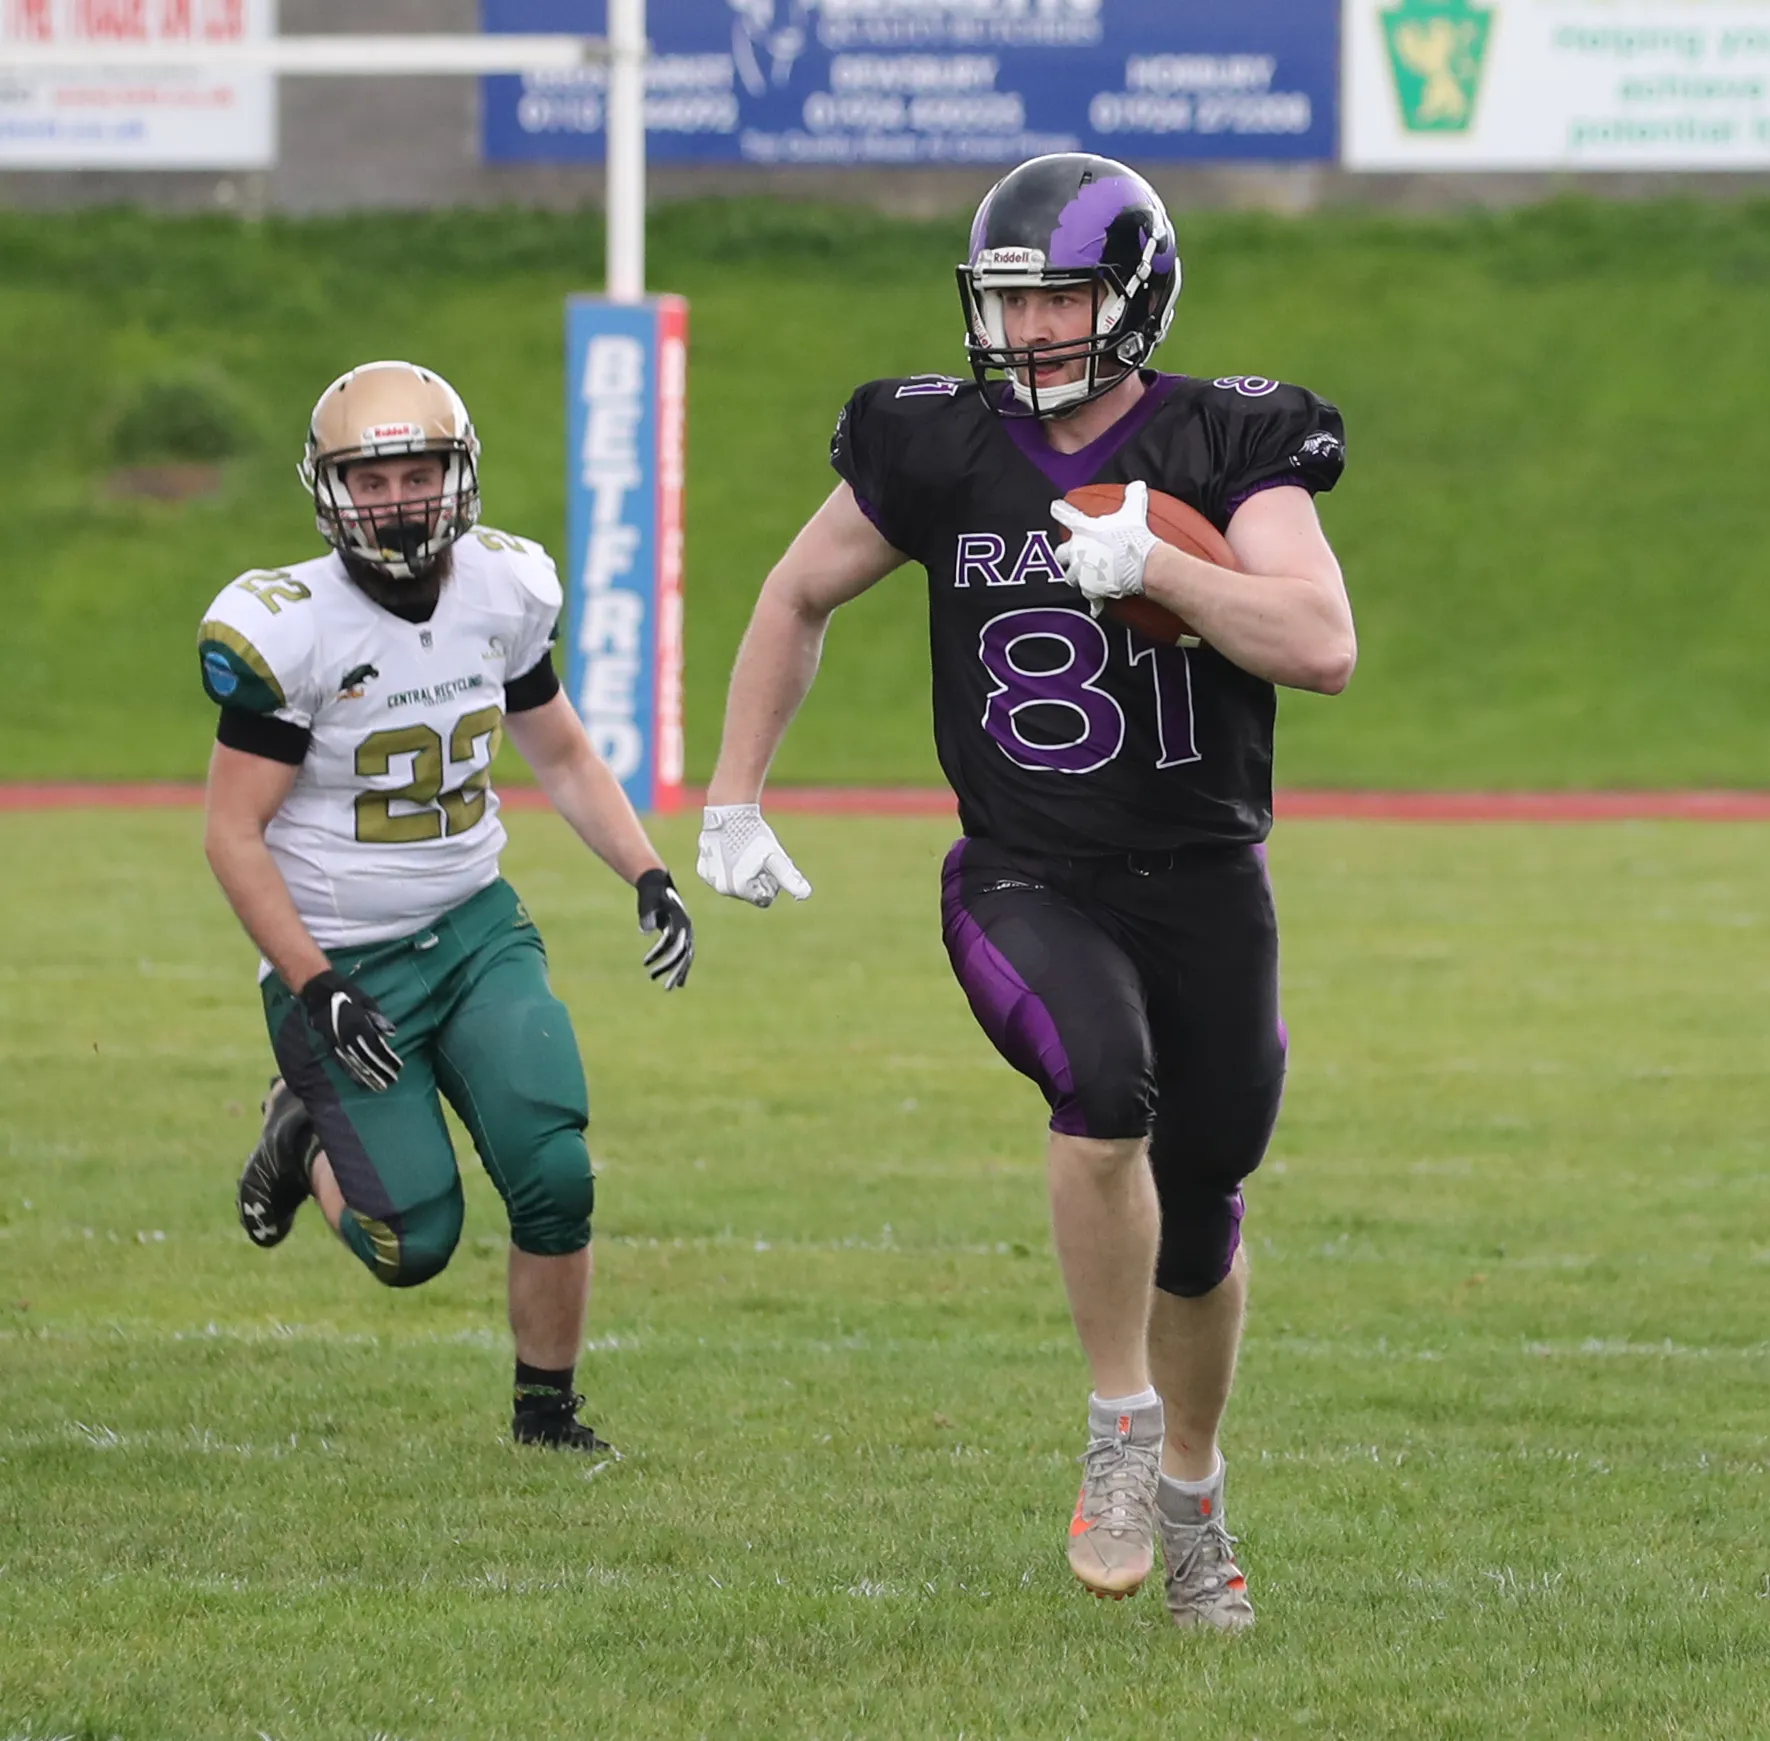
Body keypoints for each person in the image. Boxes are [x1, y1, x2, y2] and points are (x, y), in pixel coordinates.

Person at [695, 154, 1356, 1628]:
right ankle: (1117, 1425)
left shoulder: (1226, 435)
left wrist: (1163, 574)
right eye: (1007, 300)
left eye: (1058, 295)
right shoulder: (936, 443)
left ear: (1130, 297)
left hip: (1202, 880)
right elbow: (796, 592)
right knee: (1100, 1081)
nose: (1028, 329)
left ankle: (1191, 1494)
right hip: (1022, 870)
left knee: (1203, 1207)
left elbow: (1319, 643)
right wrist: (734, 789)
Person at [199, 359, 695, 1453]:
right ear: (328, 490)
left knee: (555, 1169)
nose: (395, 500)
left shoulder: (506, 586)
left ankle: (546, 1416)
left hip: (475, 930)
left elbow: (559, 751)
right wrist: (316, 982)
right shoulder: (288, 629)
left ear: (456, 475)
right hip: (340, 960)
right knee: (407, 1243)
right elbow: (232, 835)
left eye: (415, 471)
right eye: (368, 481)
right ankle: (296, 1135)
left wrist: (647, 872)